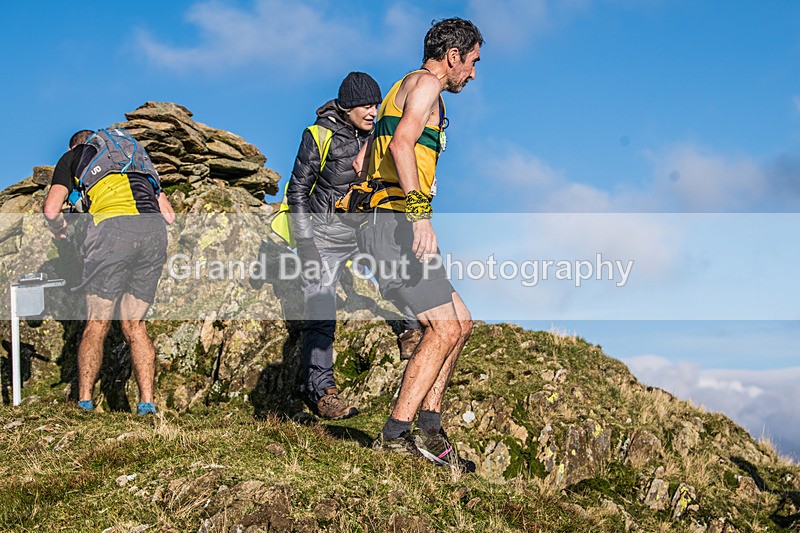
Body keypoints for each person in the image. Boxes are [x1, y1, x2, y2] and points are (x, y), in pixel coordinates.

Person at [359, 18, 483, 471]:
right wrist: (418, 214)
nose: (471, 74)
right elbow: (401, 144)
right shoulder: (428, 85)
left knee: (461, 322)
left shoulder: (402, 85)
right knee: (443, 329)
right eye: (471, 63)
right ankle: (395, 436)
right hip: (396, 221)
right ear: (453, 55)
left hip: (384, 219)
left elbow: (362, 157)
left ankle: (430, 428)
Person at [287, 72, 421, 420]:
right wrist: (306, 244)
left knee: (394, 276)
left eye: (377, 104)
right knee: (320, 311)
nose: (373, 111)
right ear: (346, 106)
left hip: (365, 228)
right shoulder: (318, 135)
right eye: (366, 105)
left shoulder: (379, 134)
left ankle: (411, 330)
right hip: (324, 237)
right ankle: (321, 392)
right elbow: (297, 191)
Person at [43, 129, 175, 414]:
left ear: (73, 146)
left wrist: (61, 228)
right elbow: (170, 215)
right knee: (135, 325)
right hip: (154, 233)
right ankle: (147, 404)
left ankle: (85, 402)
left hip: (113, 232)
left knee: (98, 322)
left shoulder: (73, 156)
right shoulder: (134, 157)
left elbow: (51, 211)